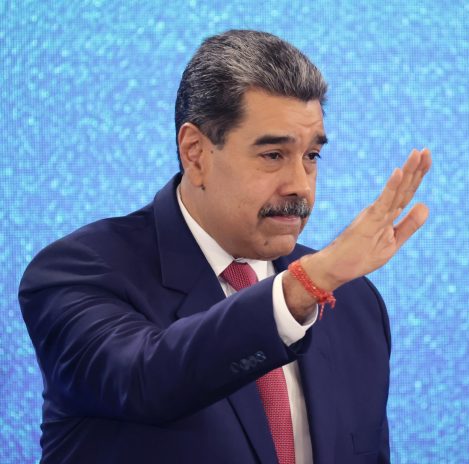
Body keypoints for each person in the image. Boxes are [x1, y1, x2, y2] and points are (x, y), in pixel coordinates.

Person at [19, 30, 431, 464]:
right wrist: (306, 285)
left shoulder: (355, 304)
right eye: (273, 155)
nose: (300, 185)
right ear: (195, 152)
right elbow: (147, 378)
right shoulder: (78, 272)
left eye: (311, 156)